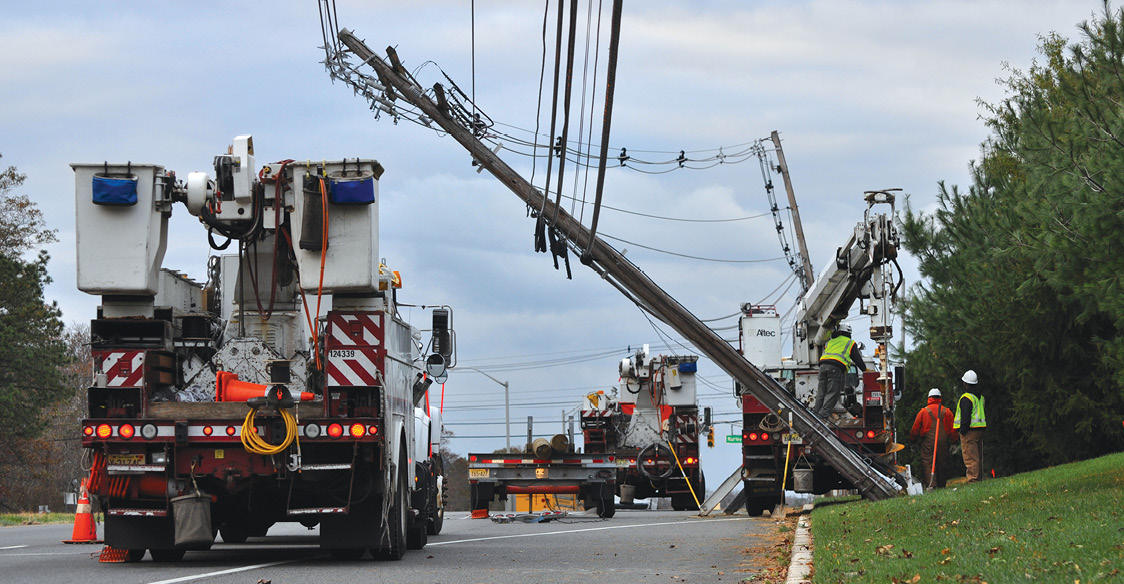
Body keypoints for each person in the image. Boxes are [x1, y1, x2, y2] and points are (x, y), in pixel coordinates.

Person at [813, 324, 866, 418]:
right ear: (849, 333)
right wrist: (865, 370)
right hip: (835, 368)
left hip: (822, 366)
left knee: (821, 392)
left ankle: (815, 414)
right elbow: (857, 359)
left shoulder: (831, 342)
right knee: (832, 392)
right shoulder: (850, 343)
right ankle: (823, 415)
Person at [910, 388, 959, 489]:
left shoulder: (923, 412)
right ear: (940, 398)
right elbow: (953, 430)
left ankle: (931, 486)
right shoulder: (947, 412)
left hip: (928, 442)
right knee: (942, 463)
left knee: (928, 463)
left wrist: (913, 441)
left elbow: (915, 429)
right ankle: (941, 486)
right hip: (943, 442)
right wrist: (954, 442)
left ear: (929, 398)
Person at [953, 369, 987, 482]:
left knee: (970, 456)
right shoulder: (980, 397)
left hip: (969, 431)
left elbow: (966, 416)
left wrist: (962, 430)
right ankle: (978, 477)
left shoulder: (966, 398)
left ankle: (973, 479)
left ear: (966, 384)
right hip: (979, 429)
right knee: (978, 456)